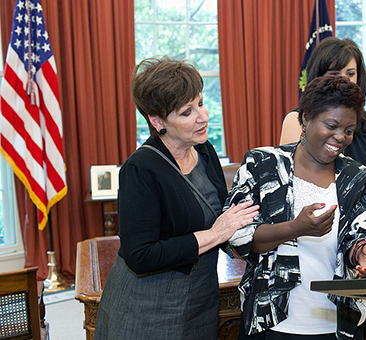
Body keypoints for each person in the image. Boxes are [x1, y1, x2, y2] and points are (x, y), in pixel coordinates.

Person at [94, 56, 259, 340]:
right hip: (147, 304)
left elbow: (221, 212)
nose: (203, 117)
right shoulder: (140, 169)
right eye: (186, 112)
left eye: (201, 103)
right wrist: (215, 234)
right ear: (157, 121)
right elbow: (140, 256)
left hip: (200, 295)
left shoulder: (205, 151)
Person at [227, 75, 366, 340]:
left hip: (339, 323)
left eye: (349, 130)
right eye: (332, 125)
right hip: (274, 322)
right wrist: (295, 228)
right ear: (305, 118)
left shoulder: (359, 177)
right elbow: (237, 237)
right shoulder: (261, 165)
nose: (340, 137)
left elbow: (363, 235)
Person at [279, 37, 366, 228]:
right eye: (335, 72)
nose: (344, 79)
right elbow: (287, 187)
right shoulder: (295, 120)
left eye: (350, 73)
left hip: (358, 233)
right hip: (306, 228)